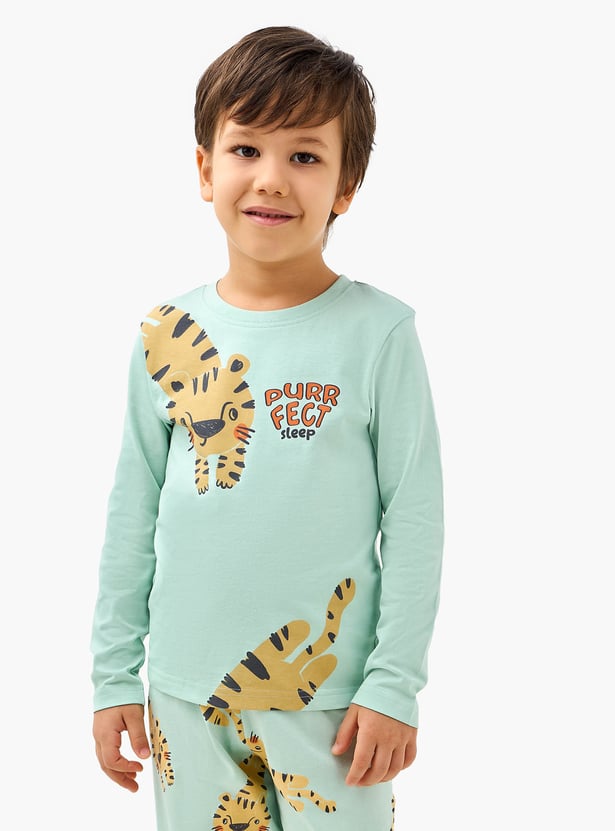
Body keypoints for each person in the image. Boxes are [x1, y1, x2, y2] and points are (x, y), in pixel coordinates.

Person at [91, 25, 444, 831]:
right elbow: (131, 516)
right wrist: (114, 677)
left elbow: (415, 520)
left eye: (305, 155)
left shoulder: (380, 333)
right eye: (246, 148)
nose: (271, 178)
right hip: (185, 697)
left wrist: (393, 686)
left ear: (346, 186)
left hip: (333, 705)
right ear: (204, 167)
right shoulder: (164, 333)